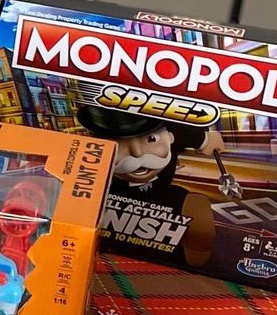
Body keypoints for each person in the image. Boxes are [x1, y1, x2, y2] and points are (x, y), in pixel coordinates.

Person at [75, 105, 222, 266]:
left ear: (170, 136)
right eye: (119, 144)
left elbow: (197, 136)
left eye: (150, 139)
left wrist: (206, 140)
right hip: (110, 207)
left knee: (197, 211)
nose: (137, 153)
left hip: (165, 204)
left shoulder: (174, 130)